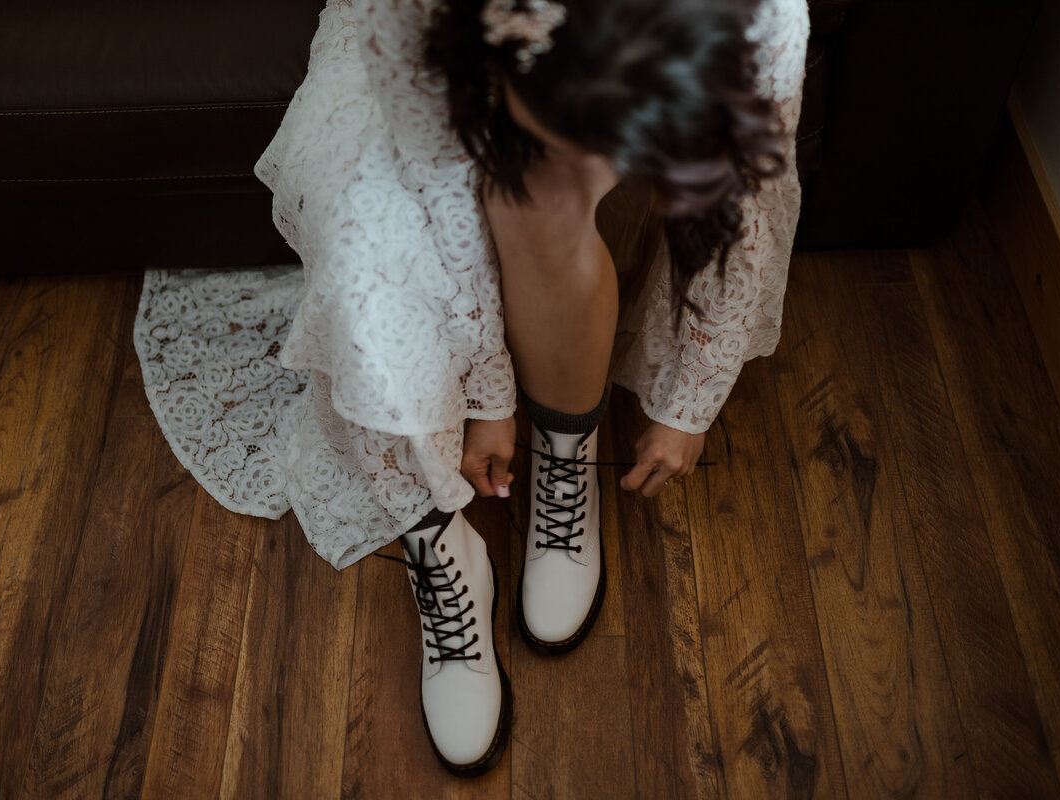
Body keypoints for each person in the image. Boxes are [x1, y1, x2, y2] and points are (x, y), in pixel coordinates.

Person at [134, 0, 808, 778]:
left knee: (543, 207)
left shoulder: (754, 22)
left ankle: (565, 450)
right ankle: (440, 546)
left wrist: (692, 398)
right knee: (365, 255)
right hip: (430, 56)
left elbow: (745, 195)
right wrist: (490, 397)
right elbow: (444, 192)